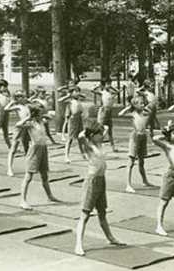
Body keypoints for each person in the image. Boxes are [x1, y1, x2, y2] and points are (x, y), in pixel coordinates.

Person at [74, 122, 122, 256]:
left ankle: (110, 238)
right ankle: (78, 244)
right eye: (99, 135)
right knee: (85, 215)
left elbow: (106, 127)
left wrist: (98, 130)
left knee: (102, 213)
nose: (102, 136)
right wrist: (89, 132)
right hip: (92, 181)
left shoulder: (99, 143)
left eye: (102, 134)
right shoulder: (89, 146)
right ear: (92, 135)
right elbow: (80, 135)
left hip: (101, 181)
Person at [18, 105, 61, 210]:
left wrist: (42, 115)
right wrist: (28, 117)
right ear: (34, 114)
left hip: (43, 149)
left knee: (44, 175)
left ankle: (50, 196)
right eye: (39, 113)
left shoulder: (41, 122)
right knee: (28, 176)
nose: (41, 115)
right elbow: (18, 125)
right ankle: (22, 200)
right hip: (35, 149)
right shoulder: (31, 124)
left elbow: (49, 118)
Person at [118, 95, 155, 193]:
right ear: (135, 105)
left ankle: (145, 181)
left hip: (143, 136)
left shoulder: (143, 113)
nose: (143, 105)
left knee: (142, 161)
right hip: (136, 137)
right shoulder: (132, 114)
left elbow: (150, 113)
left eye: (143, 103)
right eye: (140, 103)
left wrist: (144, 107)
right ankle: (128, 184)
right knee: (131, 161)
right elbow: (120, 114)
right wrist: (129, 107)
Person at [6, 91, 32, 177]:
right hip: (20, 128)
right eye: (21, 97)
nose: (24, 98)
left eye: (24, 96)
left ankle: (29, 167)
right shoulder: (18, 106)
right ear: (18, 99)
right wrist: (12, 102)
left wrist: (27, 100)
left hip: (27, 127)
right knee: (13, 148)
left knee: (27, 148)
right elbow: (6, 109)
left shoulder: (26, 106)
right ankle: (9, 168)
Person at [92, 79, 119, 152]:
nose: (109, 85)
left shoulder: (110, 93)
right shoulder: (102, 92)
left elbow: (117, 92)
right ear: (104, 85)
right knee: (100, 129)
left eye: (110, 84)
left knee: (110, 129)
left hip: (109, 112)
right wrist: (99, 86)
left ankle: (112, 146)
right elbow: (92, 90)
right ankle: (96, 145)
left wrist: (112, 87)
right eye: (107, 84)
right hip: (104, 111)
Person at [61, 86, 84, 163]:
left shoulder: (79, 100)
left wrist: (78, 94)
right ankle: (66, 156)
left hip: (79, 119)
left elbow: (84, 96)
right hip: (73, 119)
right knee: (70, 139)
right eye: (76, 91)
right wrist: (68, 95)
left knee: (81, 137)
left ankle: (83, 153)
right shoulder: (70, 101)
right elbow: (60, 100)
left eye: (78, 91)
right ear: (71, 93)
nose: (78, 93)